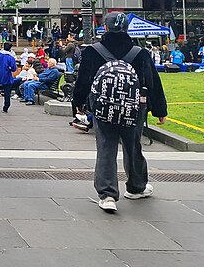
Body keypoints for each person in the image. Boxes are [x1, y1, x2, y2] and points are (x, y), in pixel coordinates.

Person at [72, 12, 168, 213]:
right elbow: (152, 82)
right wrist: (159, 109)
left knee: (106, 147)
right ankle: (136, 187)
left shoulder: (92, 51)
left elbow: (83, 81)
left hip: (103, 108)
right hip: (133, 110)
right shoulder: (139, 52)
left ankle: (107, 194)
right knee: (133, 146)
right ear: (127, 28)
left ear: (105, 28)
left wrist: (78, 103)